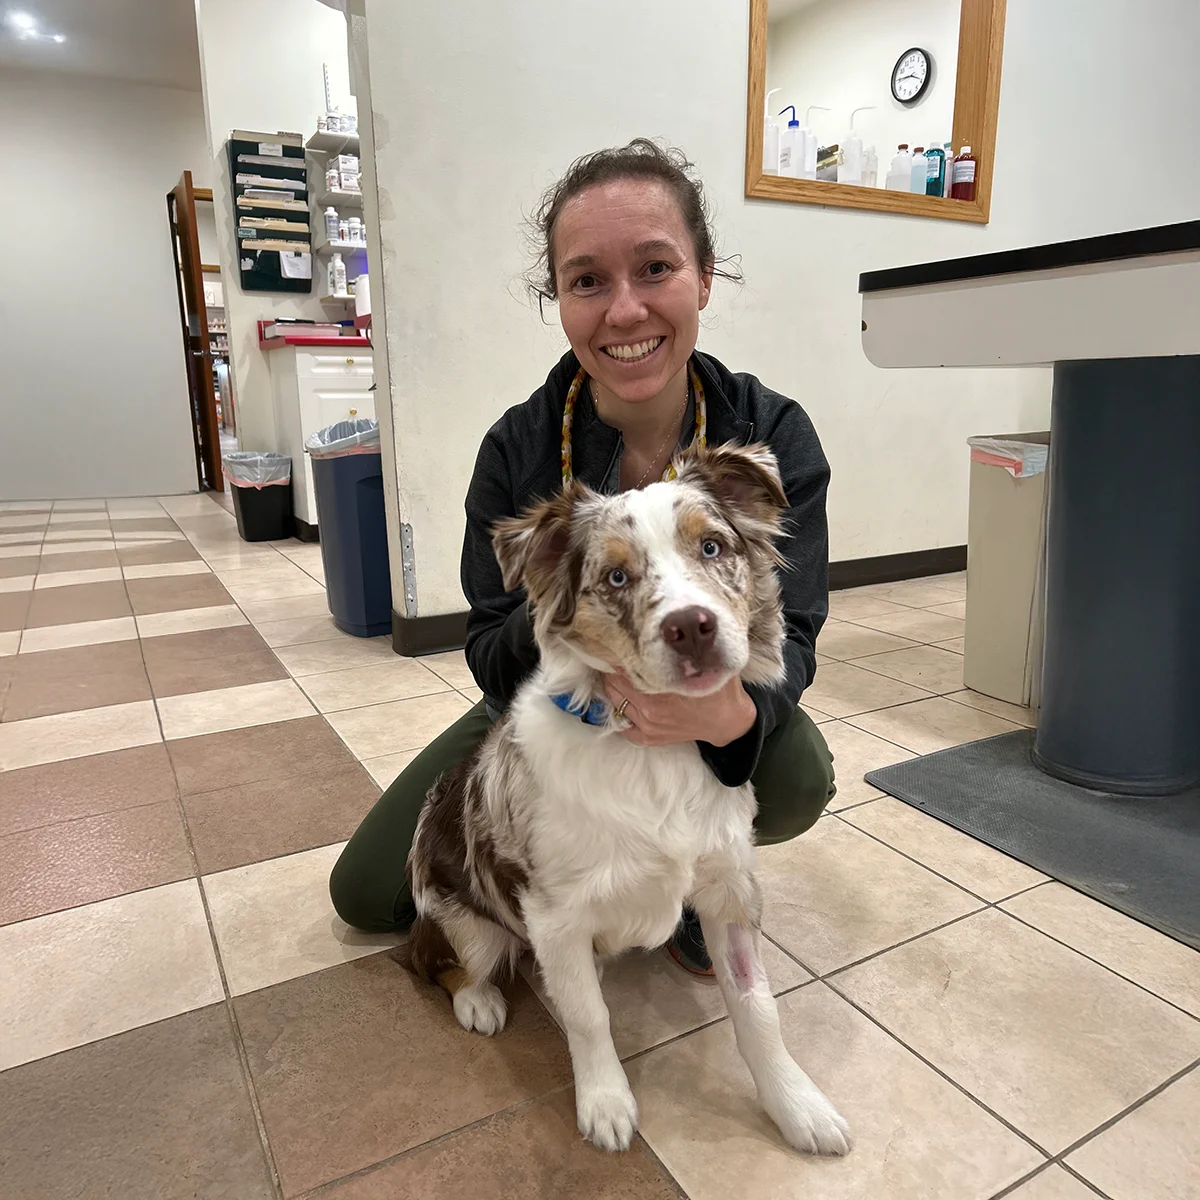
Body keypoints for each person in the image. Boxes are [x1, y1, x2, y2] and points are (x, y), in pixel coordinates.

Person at [330, 138, 834, 975]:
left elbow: (799, 632)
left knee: (797, 774)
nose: (625, 311)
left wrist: (737, 719)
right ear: (558, 298)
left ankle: (687, 887)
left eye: (656, 268)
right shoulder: (519, 449)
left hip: (710, 689)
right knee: (370, 894)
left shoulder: (770, 433)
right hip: (565, 703)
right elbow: (491, 649)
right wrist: (585, 598)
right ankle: (603, 876)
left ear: (704, 277)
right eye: (588, 280)